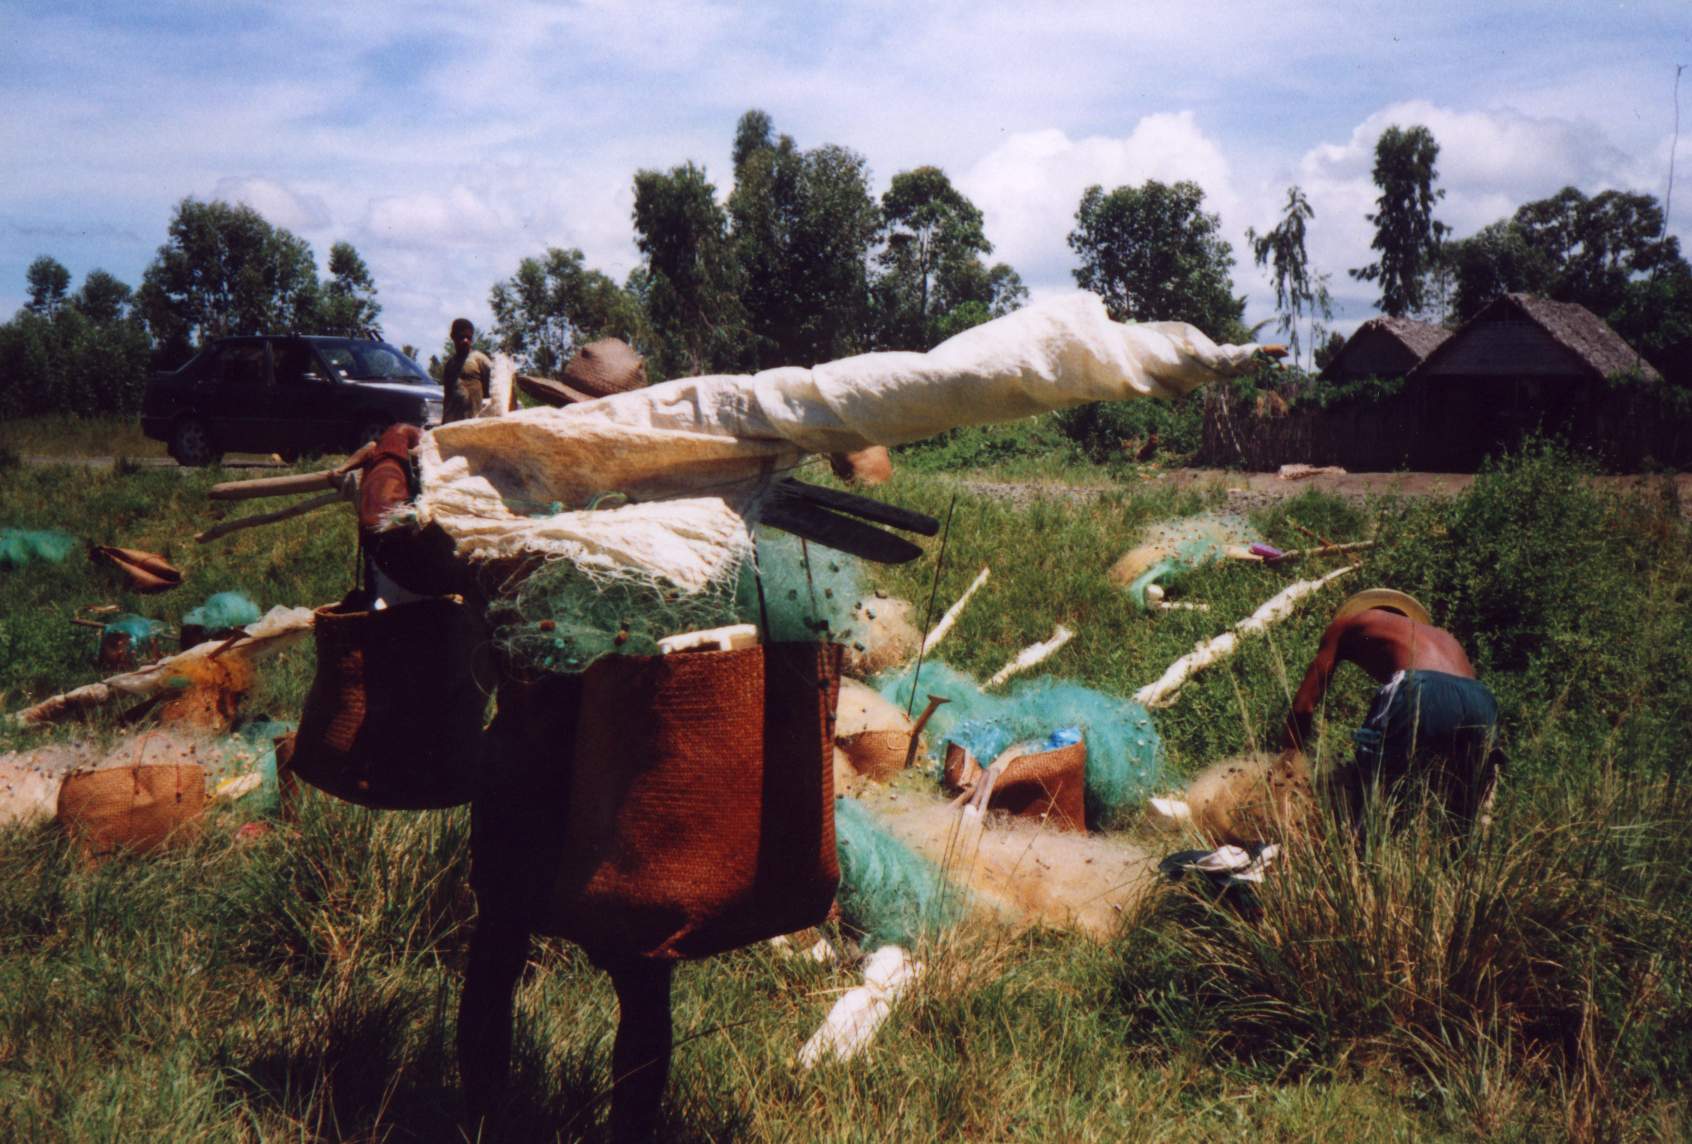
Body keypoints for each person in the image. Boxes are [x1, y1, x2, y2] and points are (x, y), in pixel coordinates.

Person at [1283, 589, 1501, 838]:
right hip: (1482, 700)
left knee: (1372, 799)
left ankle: (1362, 853)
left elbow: (1303, 706)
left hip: (1420, 687)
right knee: (1462, 817)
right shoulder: (1443, 637)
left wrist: (1289, 764)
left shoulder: (1345, 625)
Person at [441, 318, 493, 423]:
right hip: (452, 424)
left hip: (474, 423)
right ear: (453, 337)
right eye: (461, 337)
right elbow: (447, 398)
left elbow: (493, 392)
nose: (465, 341)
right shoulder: (449, 365)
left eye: (468, 338)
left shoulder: (480, 359)